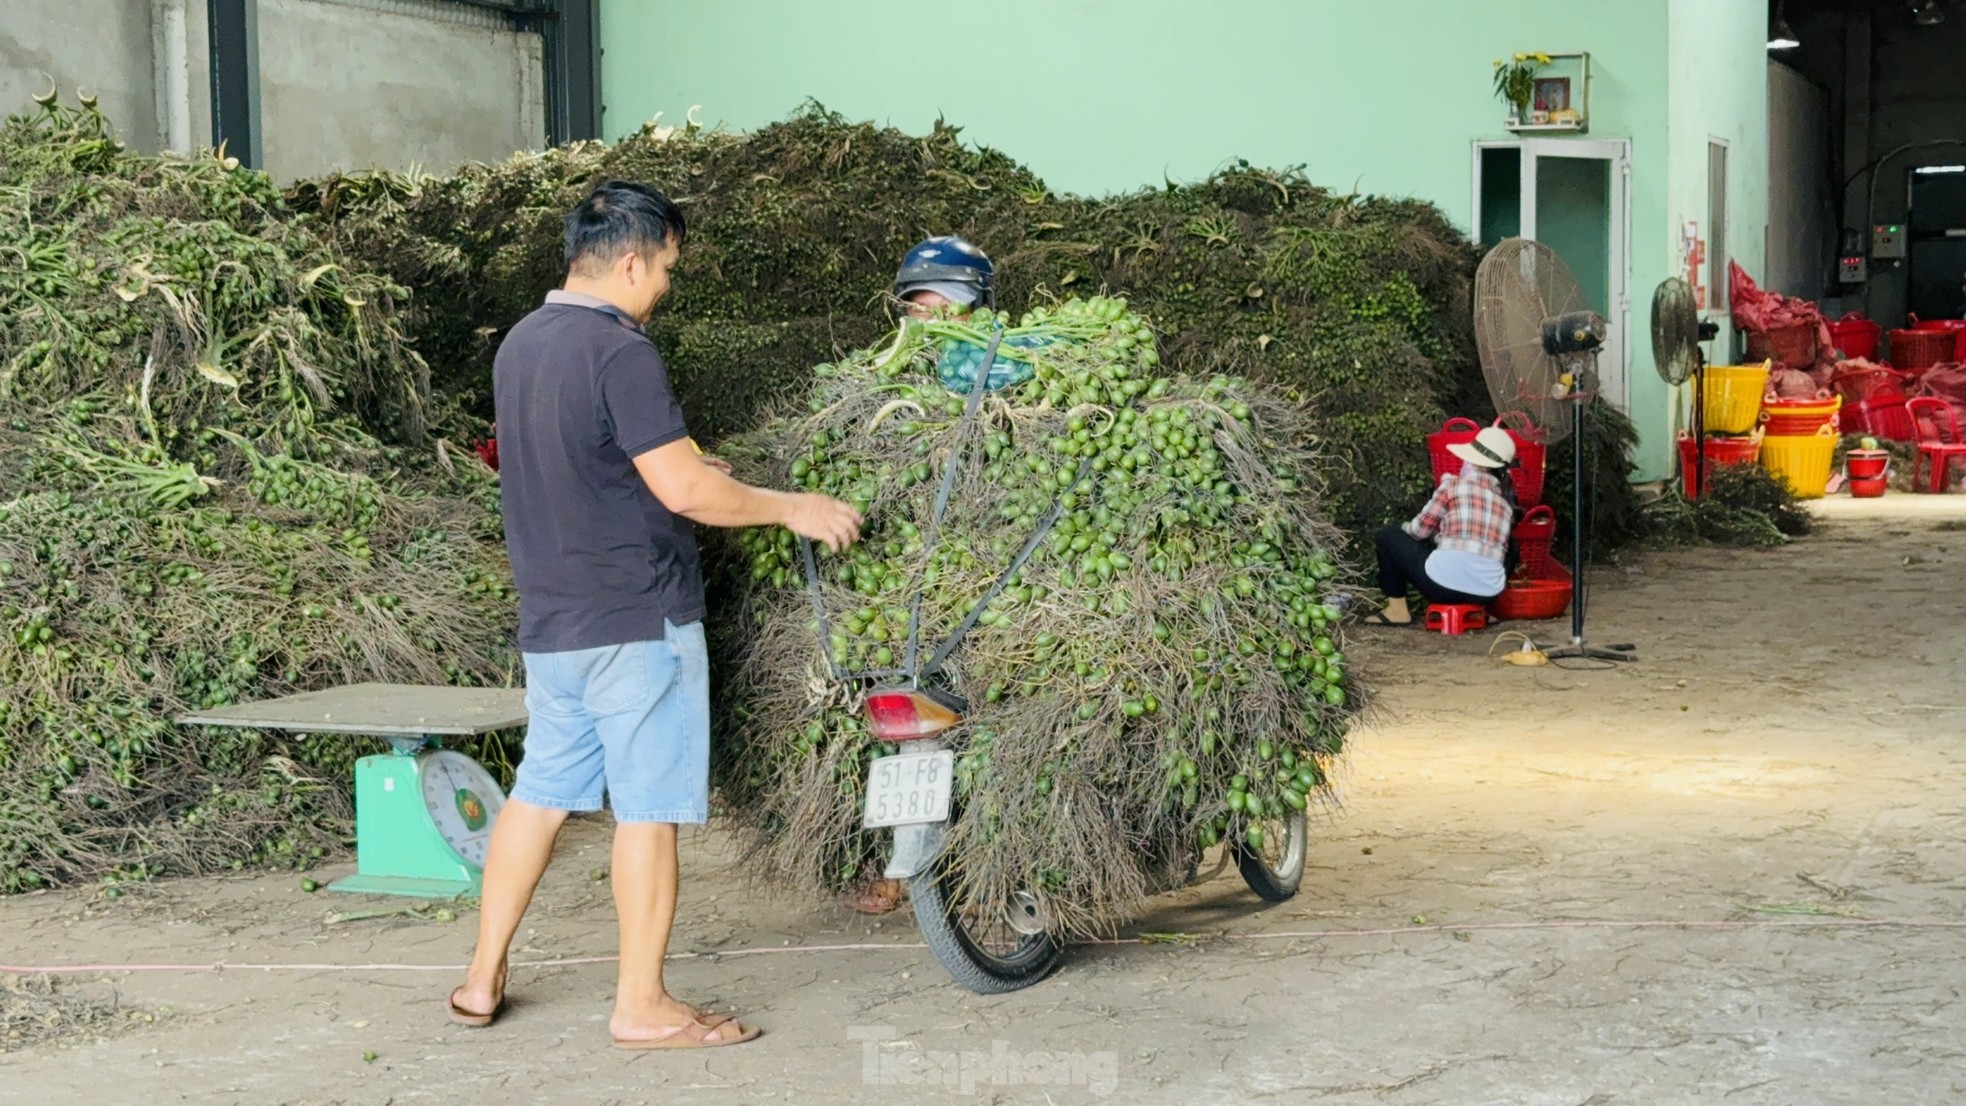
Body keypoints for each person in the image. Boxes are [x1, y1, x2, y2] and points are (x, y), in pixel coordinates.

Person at [447, 180, 863, 1049]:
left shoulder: (523, 343)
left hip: (554, 622)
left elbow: (588, 461)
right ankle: (641, 1004)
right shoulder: (619, 351)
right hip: (636, 620)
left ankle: (481, 976)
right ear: (631, 260)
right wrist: (793, 507)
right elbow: (683, 490)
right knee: (647, 810)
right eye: (666, 268)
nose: (666, 287)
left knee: (540, 794)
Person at [845, 236, 995, 918]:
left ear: (979, 311)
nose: (931, 321)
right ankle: (890, 859)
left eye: (948, 307)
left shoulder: (1004, 370)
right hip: (904, 580)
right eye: (919, 307)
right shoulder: (881, 384)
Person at [1363, 425, 1517, 627]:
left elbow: (1418, 531)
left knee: (1389, 536)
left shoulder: (1452, 486)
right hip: (1486, 594)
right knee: (1513, 545)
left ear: (1473, 461)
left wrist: (1411, 530)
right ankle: (1484, 611)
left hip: (1440, 587)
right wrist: (1441, 538)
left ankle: (1397, 610)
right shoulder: (1506, 506)